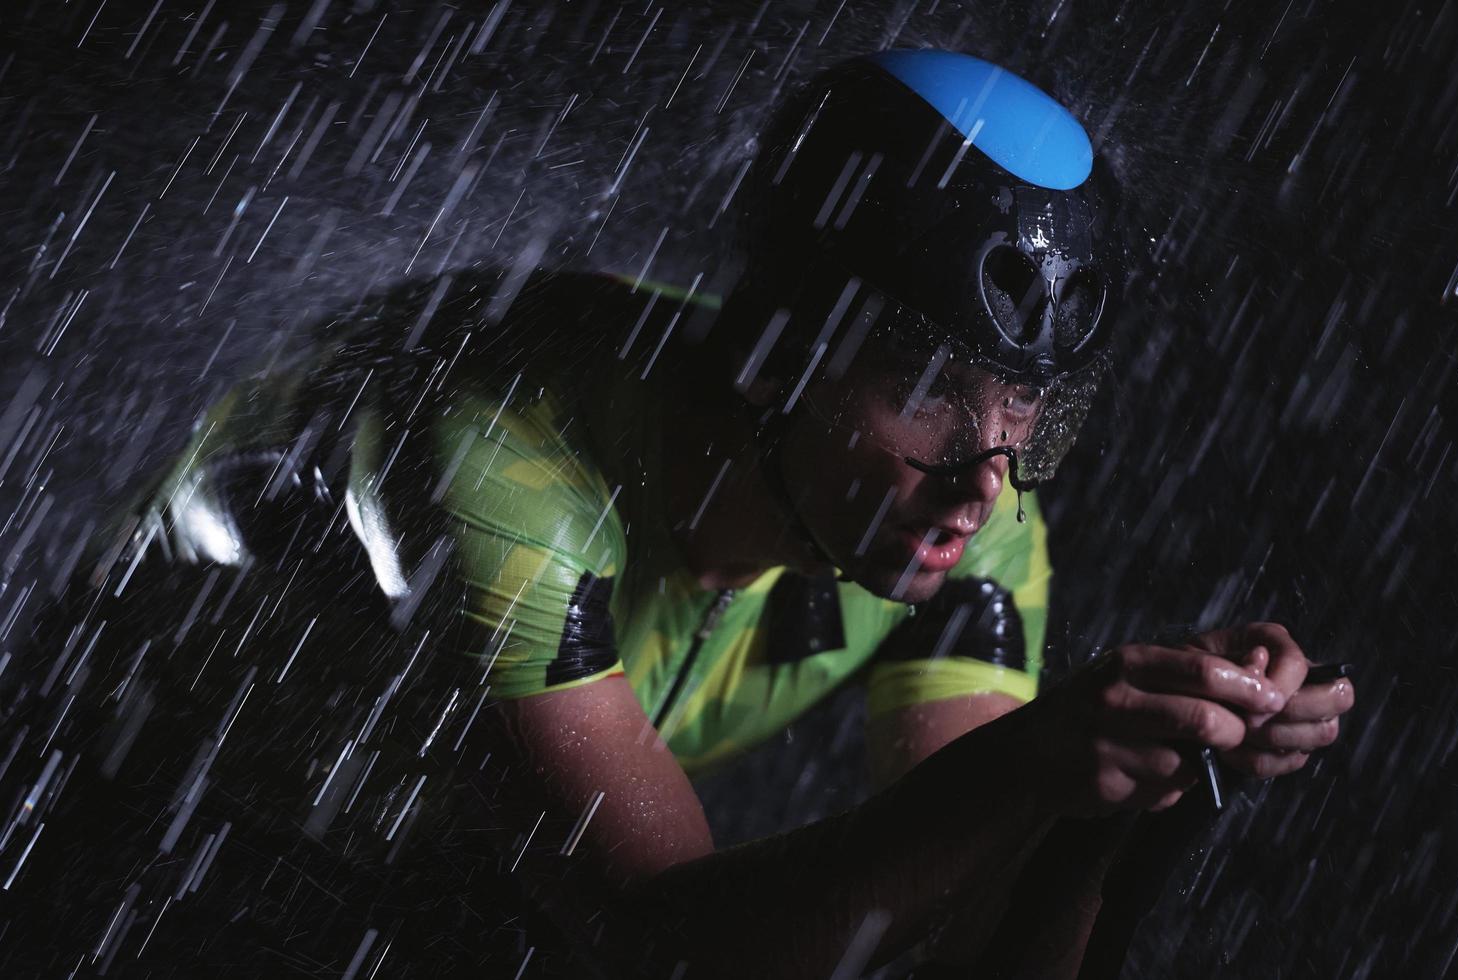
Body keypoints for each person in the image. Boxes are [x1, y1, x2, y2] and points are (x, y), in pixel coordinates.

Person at [0, 50, 1353, 978]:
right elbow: (672, 950)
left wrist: (1139, 797)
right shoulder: (498, 454)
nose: (983, 482)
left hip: (405, 856)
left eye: (1027, 415)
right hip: (108, 813)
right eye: (932, 390)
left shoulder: (971, 514)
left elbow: (952, 929)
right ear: (774, 352)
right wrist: (1030, 776)